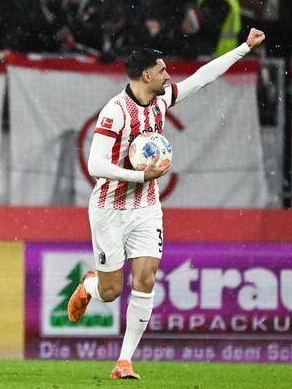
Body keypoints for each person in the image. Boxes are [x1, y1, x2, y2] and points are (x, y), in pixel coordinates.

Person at [67, 28, 266, 380]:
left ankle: (124, 361)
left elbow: (202, 78)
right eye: (162, 71)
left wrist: (243, 49)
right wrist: (140, 177)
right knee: (111, 292)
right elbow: (94, 166)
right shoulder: (115, 113)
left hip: (146, 208)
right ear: (146, 75)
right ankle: (89, 286)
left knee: (146, 278)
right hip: (110, 209)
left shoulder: (160, 100)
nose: (168, 75)